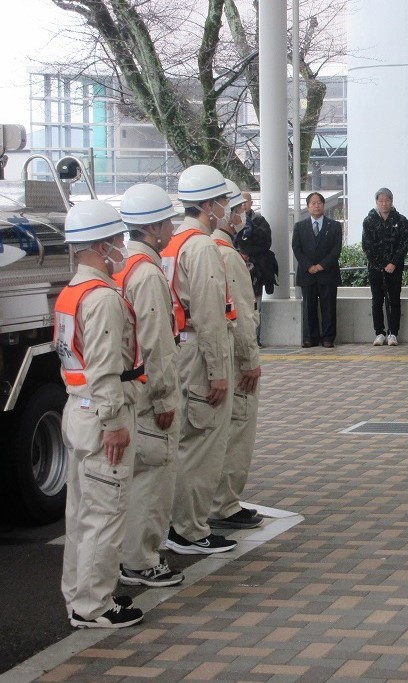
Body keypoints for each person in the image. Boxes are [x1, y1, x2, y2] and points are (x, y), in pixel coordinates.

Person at [55, 200, 145, 628]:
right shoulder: (103, 299)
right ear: (102, 245)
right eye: (117, 241)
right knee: (104, 512)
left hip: (78, 408)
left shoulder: (72, 292)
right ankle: (94, 606)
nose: (122, 249)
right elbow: (107, 367)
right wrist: (114, 423)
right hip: (101, 414)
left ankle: (78, 596)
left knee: (81, 513)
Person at [163, 164, 236, 555]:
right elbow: (209, 315)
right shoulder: (203, 246)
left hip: (181, 349)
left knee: (187, 441)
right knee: (204, 444)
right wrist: (219, 371)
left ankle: (178, 524)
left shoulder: (173, 243)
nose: (228, 208)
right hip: (199, 351)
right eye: (224, 201)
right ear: (208, 205)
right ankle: (190, 529)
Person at [114, 184, 183, 589]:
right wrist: (164, 397)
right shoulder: (148, 275)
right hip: (146, 389)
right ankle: (142, 560)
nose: (173, 227)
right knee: (154, 476)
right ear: (154, 228)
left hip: (127, 387)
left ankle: (130, 555)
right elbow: (157, 342)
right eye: (168, 221)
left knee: (134, 476)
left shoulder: (122, 267)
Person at [208, 180, 263, 529]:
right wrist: (251, 360)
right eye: (240, 209)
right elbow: (242, 313)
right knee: (238, 427)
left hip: (212, 354)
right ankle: (224, 503)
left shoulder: (202, 248)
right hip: (231, 353)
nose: (244, 214)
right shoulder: (225, 253)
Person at [292, 192, 343, 348]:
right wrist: (309, 266)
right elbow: (296, 248)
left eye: (319, 202)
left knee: (328, 306)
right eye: (313, 203)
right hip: (307, 274)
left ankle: (328, 337)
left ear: (324, 205)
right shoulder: (300, 226)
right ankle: (310, 338)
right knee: (309, 307)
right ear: (308, 207)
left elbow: (336, 249)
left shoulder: (334, 226)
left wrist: (321, 266)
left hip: (327, 273)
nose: (316, 205)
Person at [362, 188, 408, 346]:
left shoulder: (401, 220)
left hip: (395, 269)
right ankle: (379, 333)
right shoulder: (368, 221)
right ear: (376, 202)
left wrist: (393, 263)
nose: (384, 204)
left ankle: (393, 333)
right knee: (377, 300)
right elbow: (367, 246)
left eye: (387, 200)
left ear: (392, 201)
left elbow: (403, 245)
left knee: (394, 300)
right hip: (375, 269)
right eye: (381, 201)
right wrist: (380, 265)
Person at [235, 192, 278, 346]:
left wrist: (252, 233)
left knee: (256, 306)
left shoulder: (259, 220)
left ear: (251, 202)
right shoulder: (232, 221)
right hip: (236, 268)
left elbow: (266, 243)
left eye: (245, 202)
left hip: (256, 270)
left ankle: (255, 339)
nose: (243, 205)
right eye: (240, 203)